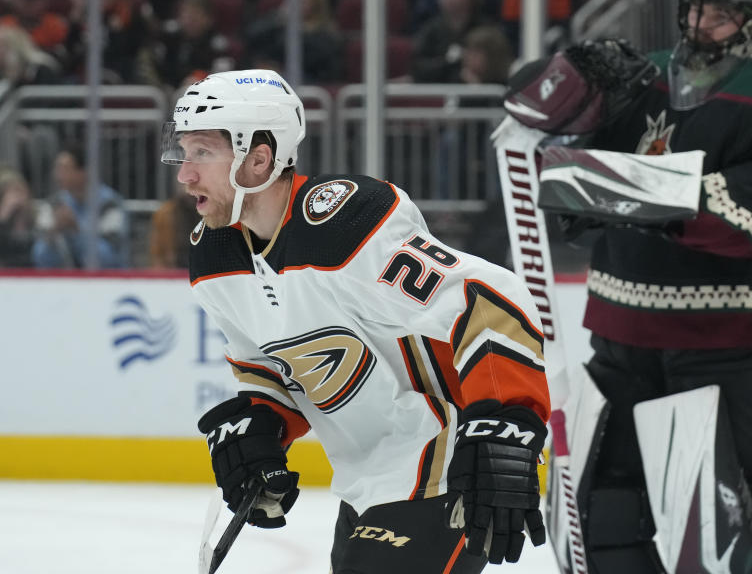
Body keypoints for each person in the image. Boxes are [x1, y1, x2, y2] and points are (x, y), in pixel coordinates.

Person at [159, 69, 551, 572]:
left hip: (442, 467)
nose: (184, 174)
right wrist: (263, 422)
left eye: (202, 154)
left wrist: (506, 421)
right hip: (363, 484)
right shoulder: (215, 257)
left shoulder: (343, 225)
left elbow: (489, 298)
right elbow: (273, 368)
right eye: (184, 152)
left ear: (258, 159)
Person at [501, 0, 752, 573]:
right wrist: (560, 85)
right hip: (621, 342)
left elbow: (745, 220)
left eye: (723, 14)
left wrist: (614, 186)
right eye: (697, 8)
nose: (704, 23)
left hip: (725, 347)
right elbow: (560, 186)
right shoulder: (641, 77)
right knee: (597, 523)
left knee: (726, 533)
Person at [32, 143, 130, 268]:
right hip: (64, 283)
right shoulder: (53, 204)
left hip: (107, 284)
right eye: (57, 169)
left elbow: (108, 260)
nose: (57, 175)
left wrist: (76, 232)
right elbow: (39, 258)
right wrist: (53, 233)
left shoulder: (110, 205)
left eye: (65, 169)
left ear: (85, 171)